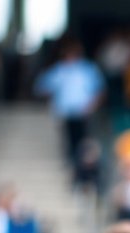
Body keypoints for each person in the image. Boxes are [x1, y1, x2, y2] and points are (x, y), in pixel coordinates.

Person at [34, 40, 104, 171]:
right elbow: (41, 87)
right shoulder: (60, 69)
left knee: (84, 142)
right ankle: (72, 165)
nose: (70, 56)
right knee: (69, 141)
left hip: (83, 113)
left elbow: (99, 90)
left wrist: (91, 106)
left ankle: (83, 168)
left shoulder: (87, 69)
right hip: (65, 113)